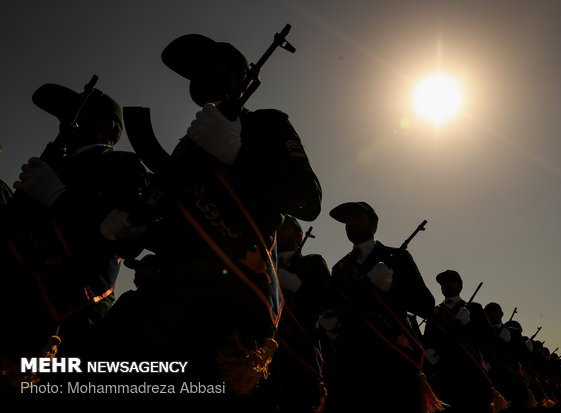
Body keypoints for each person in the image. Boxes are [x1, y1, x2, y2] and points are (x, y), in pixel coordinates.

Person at [100, 33, 322, 404]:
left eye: (213, 67)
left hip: (229, 310)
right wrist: (130, 230)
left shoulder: (266, 124)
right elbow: (173, 222)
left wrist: (237, 154)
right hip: (170, 306)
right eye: (195, 72)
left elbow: (307, 200)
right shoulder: (190, 144)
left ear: (243, 76)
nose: (202, 76)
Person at [0, 82, 148, 392]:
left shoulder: (121, 164)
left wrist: (58, 196)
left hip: (76, 320)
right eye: (63, 117)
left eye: (78, 114)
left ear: (108, 125)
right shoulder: (54, 165)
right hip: (16, 312)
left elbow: (130, 235)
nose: (66, 123)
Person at [319, 201, 435, 412]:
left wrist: (392, 286)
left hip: (392, 363)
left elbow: (426, 304)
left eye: (356, 217)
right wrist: (327, 319)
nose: (350, 223)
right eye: (347, 220)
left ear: (374, 224)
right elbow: (332, 309)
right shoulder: (339, 268)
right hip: (351, 367)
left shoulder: (398, 258)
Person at [259, 215, 331, 412]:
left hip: (300, 354)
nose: (279, 230)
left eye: (285, 228)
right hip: (263, 355)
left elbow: (327, 301)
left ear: (299, 236)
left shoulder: (313, 263)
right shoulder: (263, 263)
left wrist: (296, 285)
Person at [423, 270, 502, 413]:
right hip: (444, 377)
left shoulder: (474, 309)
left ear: (460, 286)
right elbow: (428, 340)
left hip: (471, 377)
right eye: (443, 282)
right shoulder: (435, 313)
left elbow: (490, 339)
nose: (446, 285)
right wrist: (429, 353)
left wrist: (469, 324)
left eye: (451, 281)